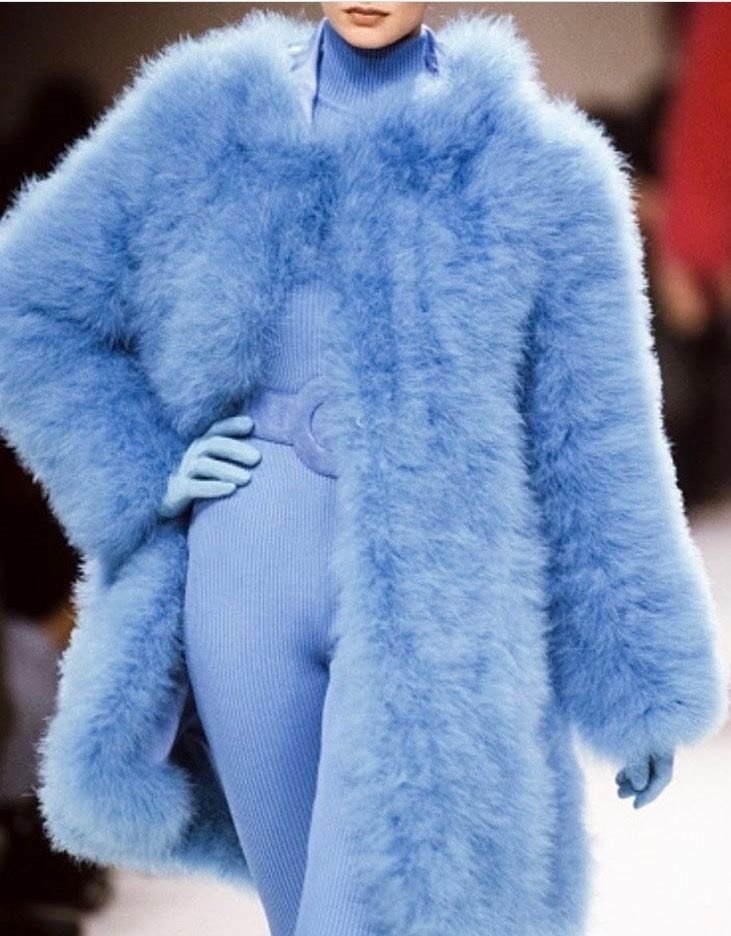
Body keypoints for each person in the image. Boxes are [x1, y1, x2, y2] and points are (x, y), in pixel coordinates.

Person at [0, 4, 727, 935]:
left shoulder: (537, 168)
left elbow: (594, 437)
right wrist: (141, 468)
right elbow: (28, 302)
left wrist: (639, 680)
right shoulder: (201, 118)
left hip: (437, 604)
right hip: (236, 589)